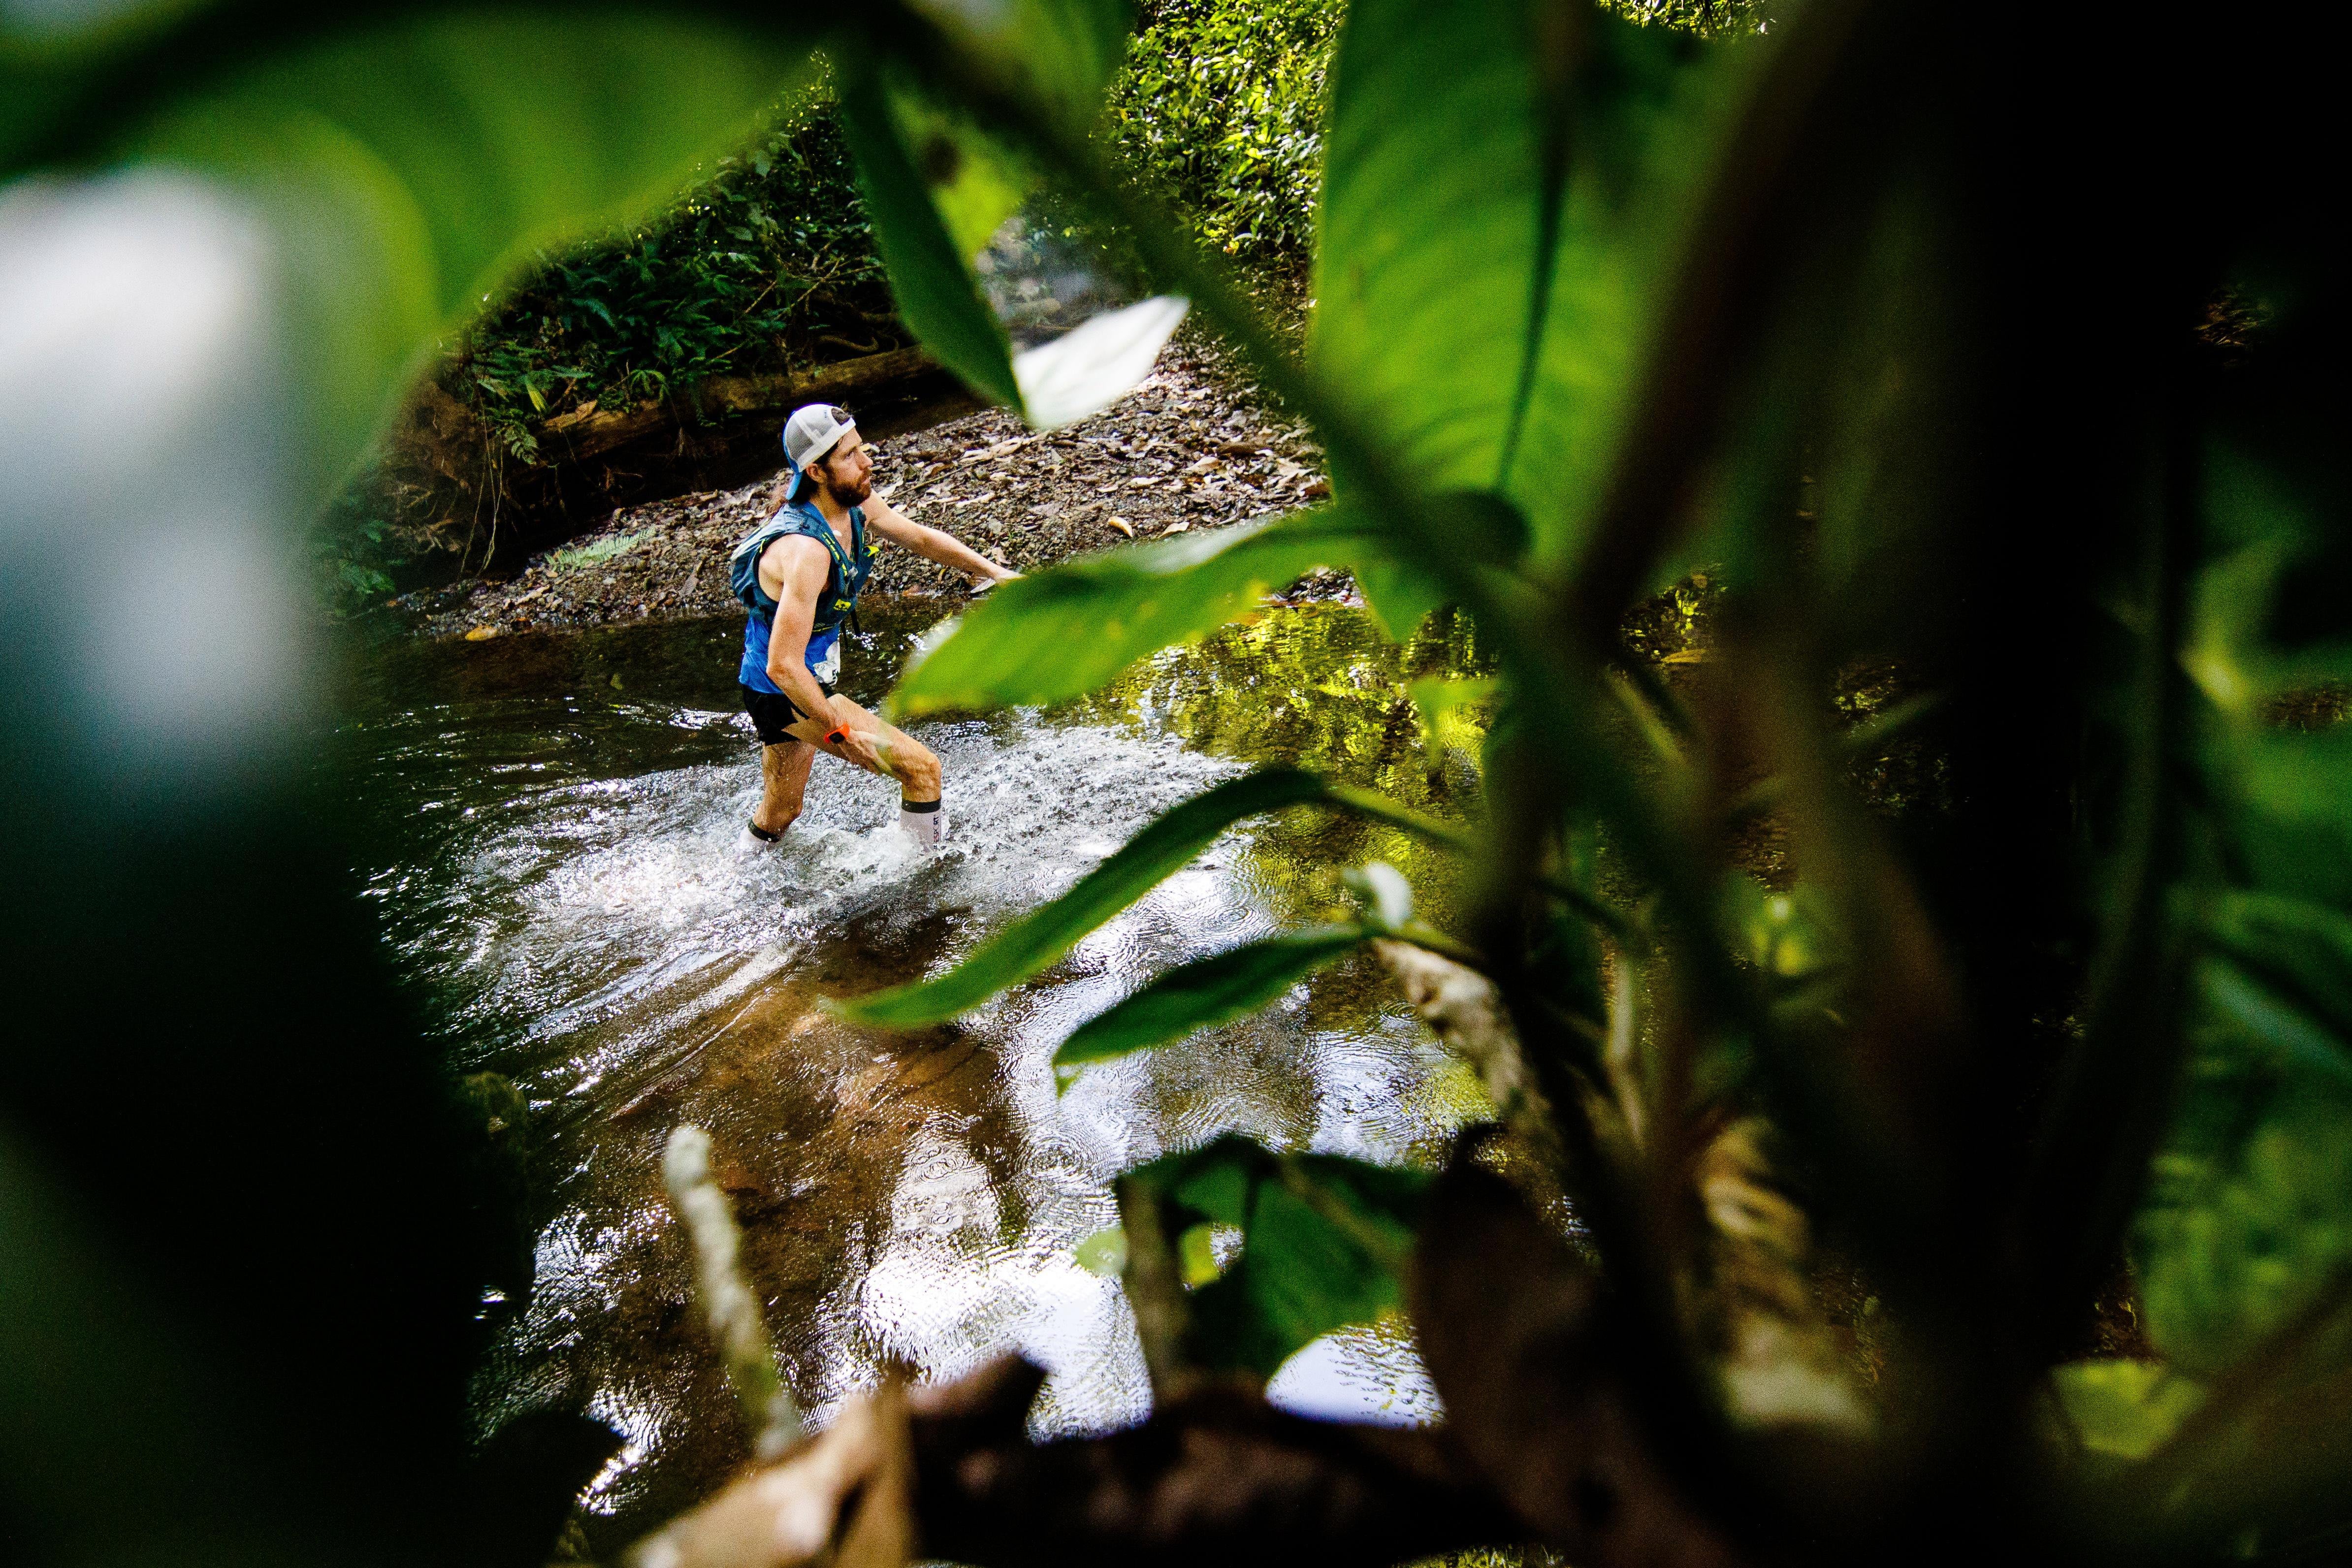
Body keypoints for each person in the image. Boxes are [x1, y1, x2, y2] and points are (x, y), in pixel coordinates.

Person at [732, 403, 1017, 853]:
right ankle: (927, 877)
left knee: (782, 812)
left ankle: (739, 869)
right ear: (816, 471)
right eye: (849, 455)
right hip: (783, 690)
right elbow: (783, 665)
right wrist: (840, 734)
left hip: (788, 680)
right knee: (922, 770)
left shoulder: (853, 503)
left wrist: (995, 573)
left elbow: (918, 536)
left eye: (860, 448)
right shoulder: (807, 552)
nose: (867, 461)